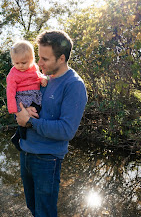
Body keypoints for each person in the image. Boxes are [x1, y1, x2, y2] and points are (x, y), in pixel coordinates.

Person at [15, 30, 87, 216]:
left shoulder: (74, 85)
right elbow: (21, 101)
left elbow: (66, 130)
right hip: (26, 152)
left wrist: (30, 122)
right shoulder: (40, 77)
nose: (38, 63)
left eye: (44, 59)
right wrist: (22, 111)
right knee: (32, 207)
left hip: (48, 159)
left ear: (61, 58)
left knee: (45, 213)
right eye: (39, 57)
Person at [6, 40, 48, 150]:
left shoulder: (34, 67)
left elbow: (37, 75)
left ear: (31, 59)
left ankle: (18, 136)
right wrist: (14, 110)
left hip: (35, 96)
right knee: (24, 119)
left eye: (23, 63)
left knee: (37, 111)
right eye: (16, 63)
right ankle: (21, 139)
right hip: (22, 98)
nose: (20, 66)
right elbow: (10, 92)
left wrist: (43, 79)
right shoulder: (13, 73)